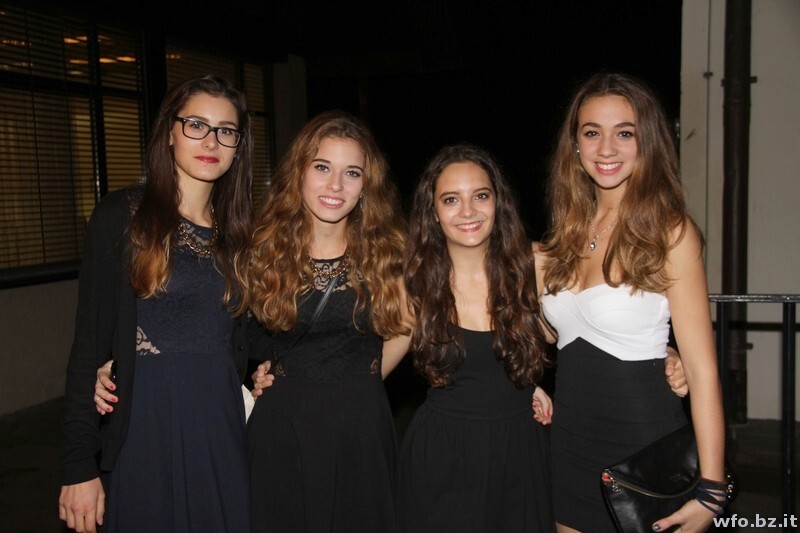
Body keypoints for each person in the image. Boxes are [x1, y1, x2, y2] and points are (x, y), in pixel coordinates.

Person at [58, 74, 254, 533]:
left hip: (219, 425)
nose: (211, 141)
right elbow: (88, 346)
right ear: (169, 131)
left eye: (226, 130)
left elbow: (252, 333)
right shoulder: (122, 217)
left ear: (238, 145)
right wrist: (78, 465)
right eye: (196, 125)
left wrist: (268, 370)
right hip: (144, 424)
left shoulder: (242, 232)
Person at [534, 71, 727, 532]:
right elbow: (547, 336)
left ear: (648, 142)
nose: (606, 148)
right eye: (592, 133)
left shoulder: (670, 232)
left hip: (643, 448)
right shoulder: (565, 235)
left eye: (625, 133)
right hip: (569, 446)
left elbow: (702, 371)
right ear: (574, 145)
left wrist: (712, 490)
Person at [244, 110, 412, 532]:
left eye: (351, 173)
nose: (336, 185)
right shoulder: (263, 248)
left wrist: (362, 379)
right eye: (322, 167)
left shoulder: (388, 253)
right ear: (299, 173)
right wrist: (257, 372)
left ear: (366, 186)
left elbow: (406, 326)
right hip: (284, 427)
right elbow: (239, 334)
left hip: (361, 427)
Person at [396, 144, 555, 532]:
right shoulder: (414, 284)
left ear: (498, 202)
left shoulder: (536, 265)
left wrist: (665, 354)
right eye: (451, 199)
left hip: (519, 455)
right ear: (433, 212)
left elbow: (598, 326)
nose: (468, 211)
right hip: (441, 459)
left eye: (480, 196)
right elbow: (367, 367)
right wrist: (282, 372)